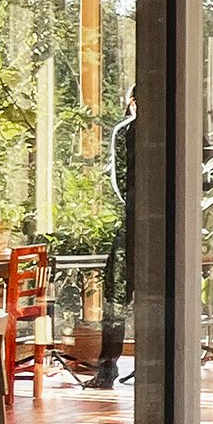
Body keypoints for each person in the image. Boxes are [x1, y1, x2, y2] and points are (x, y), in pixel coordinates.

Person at [87, 87, 134, 389]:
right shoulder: (186, 128)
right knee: (155, 298)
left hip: (133, 222)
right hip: (168, 223)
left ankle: (107, 368)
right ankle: (155, 366)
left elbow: (120, 182)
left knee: (116, 298)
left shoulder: (127, 131)